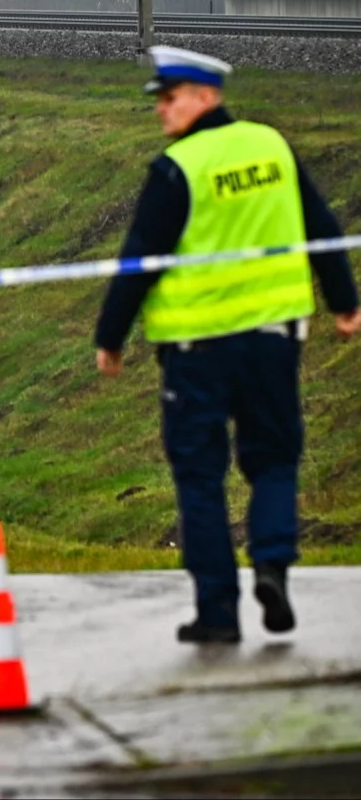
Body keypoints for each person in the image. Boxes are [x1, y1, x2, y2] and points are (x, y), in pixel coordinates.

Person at [94, 45, 359, 644]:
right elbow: (322, 227)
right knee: (273, 458)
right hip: (273, 339)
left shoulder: (177, 168)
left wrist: (110, 336)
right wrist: (345, 300)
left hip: (196, 351)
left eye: (170, 98)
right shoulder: (272, 146)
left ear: (205, 97)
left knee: (200, 475)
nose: (161, 111)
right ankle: (271, 565)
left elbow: (141, 260)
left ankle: (216, 612)